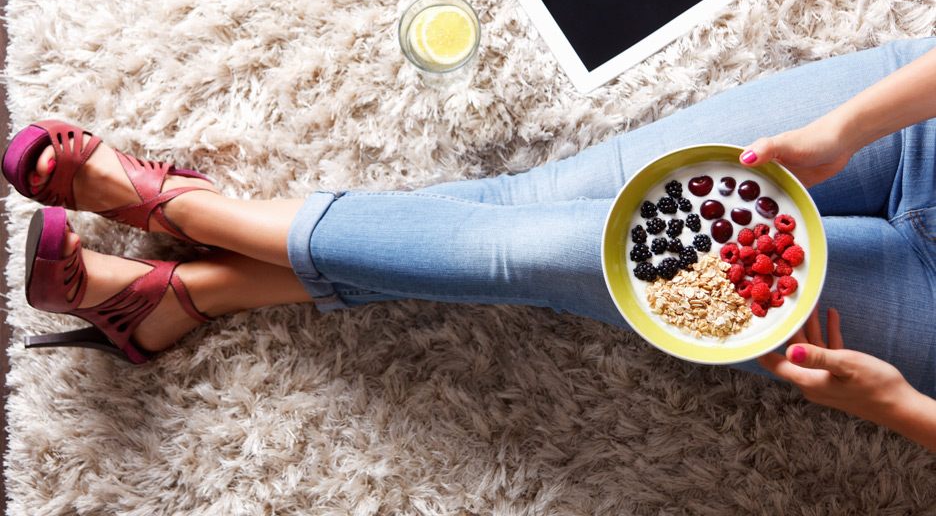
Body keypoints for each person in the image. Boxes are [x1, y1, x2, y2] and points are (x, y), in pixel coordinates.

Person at [4, 38, 936, 452]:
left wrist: (904, 414)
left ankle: (186, 213)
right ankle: (195, 293)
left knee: (528, 251)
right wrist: (851, 126)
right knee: (532, 203)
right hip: (917, 128)